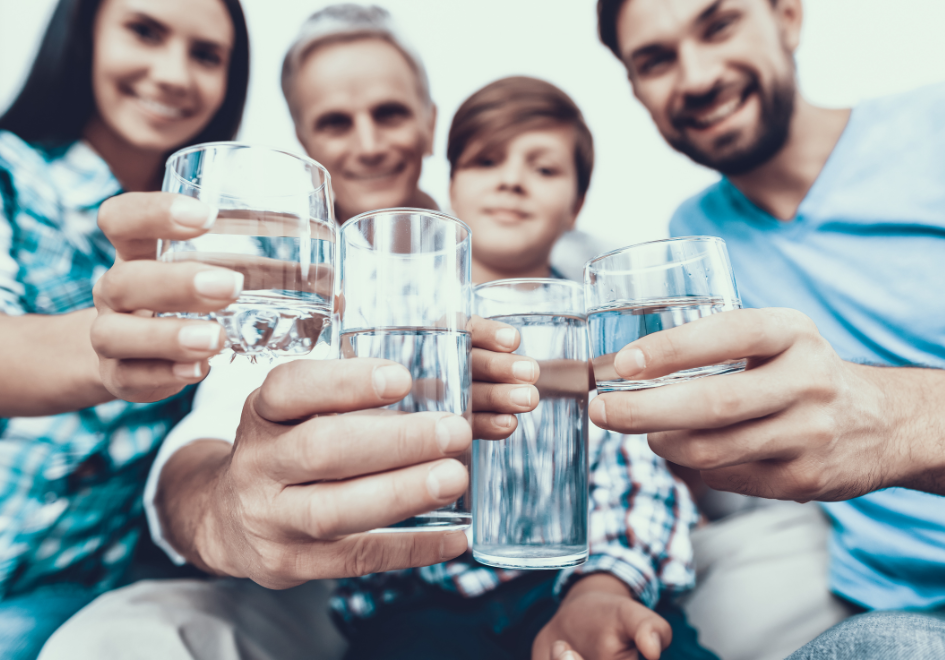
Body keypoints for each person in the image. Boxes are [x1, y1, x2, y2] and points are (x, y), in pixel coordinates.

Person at [35, 8, 542, 660]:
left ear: (429, 120)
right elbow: (206, 439)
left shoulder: (534, 238)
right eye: (334, 121)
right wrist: (223, 516)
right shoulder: (280, 283)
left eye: (388, 113)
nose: (367, 143)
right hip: (338, 592)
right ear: (303, 138)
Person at [587, 0, 945, 658]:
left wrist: (889, 419)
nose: (698, 76)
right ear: (636, 90)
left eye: (718, 25)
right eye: (655, 60)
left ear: (789, 17)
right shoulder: (695, 240)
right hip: (919, 619)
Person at [332, 76, 716, 660]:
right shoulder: (390, 319)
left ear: (576, 205)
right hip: (419, 601)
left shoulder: (602, 327)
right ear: (452, 184)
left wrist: (600, 589)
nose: (512, 180)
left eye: (544, 169)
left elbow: (639, 476)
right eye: (488, 160)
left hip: (574, 583)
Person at [0, 0, 249, 657]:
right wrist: (106, 350)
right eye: (145, 31)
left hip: (76, 593)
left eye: (206, 55)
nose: (173, 74)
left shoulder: (223, 247)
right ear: (83, 34)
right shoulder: (10, 172)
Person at [281, 4, 439, 223]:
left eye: (389, 114)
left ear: (431, 126)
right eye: (336, 123)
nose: (369, 148)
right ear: (305, 145)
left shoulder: (489, 250)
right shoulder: (263, 255)